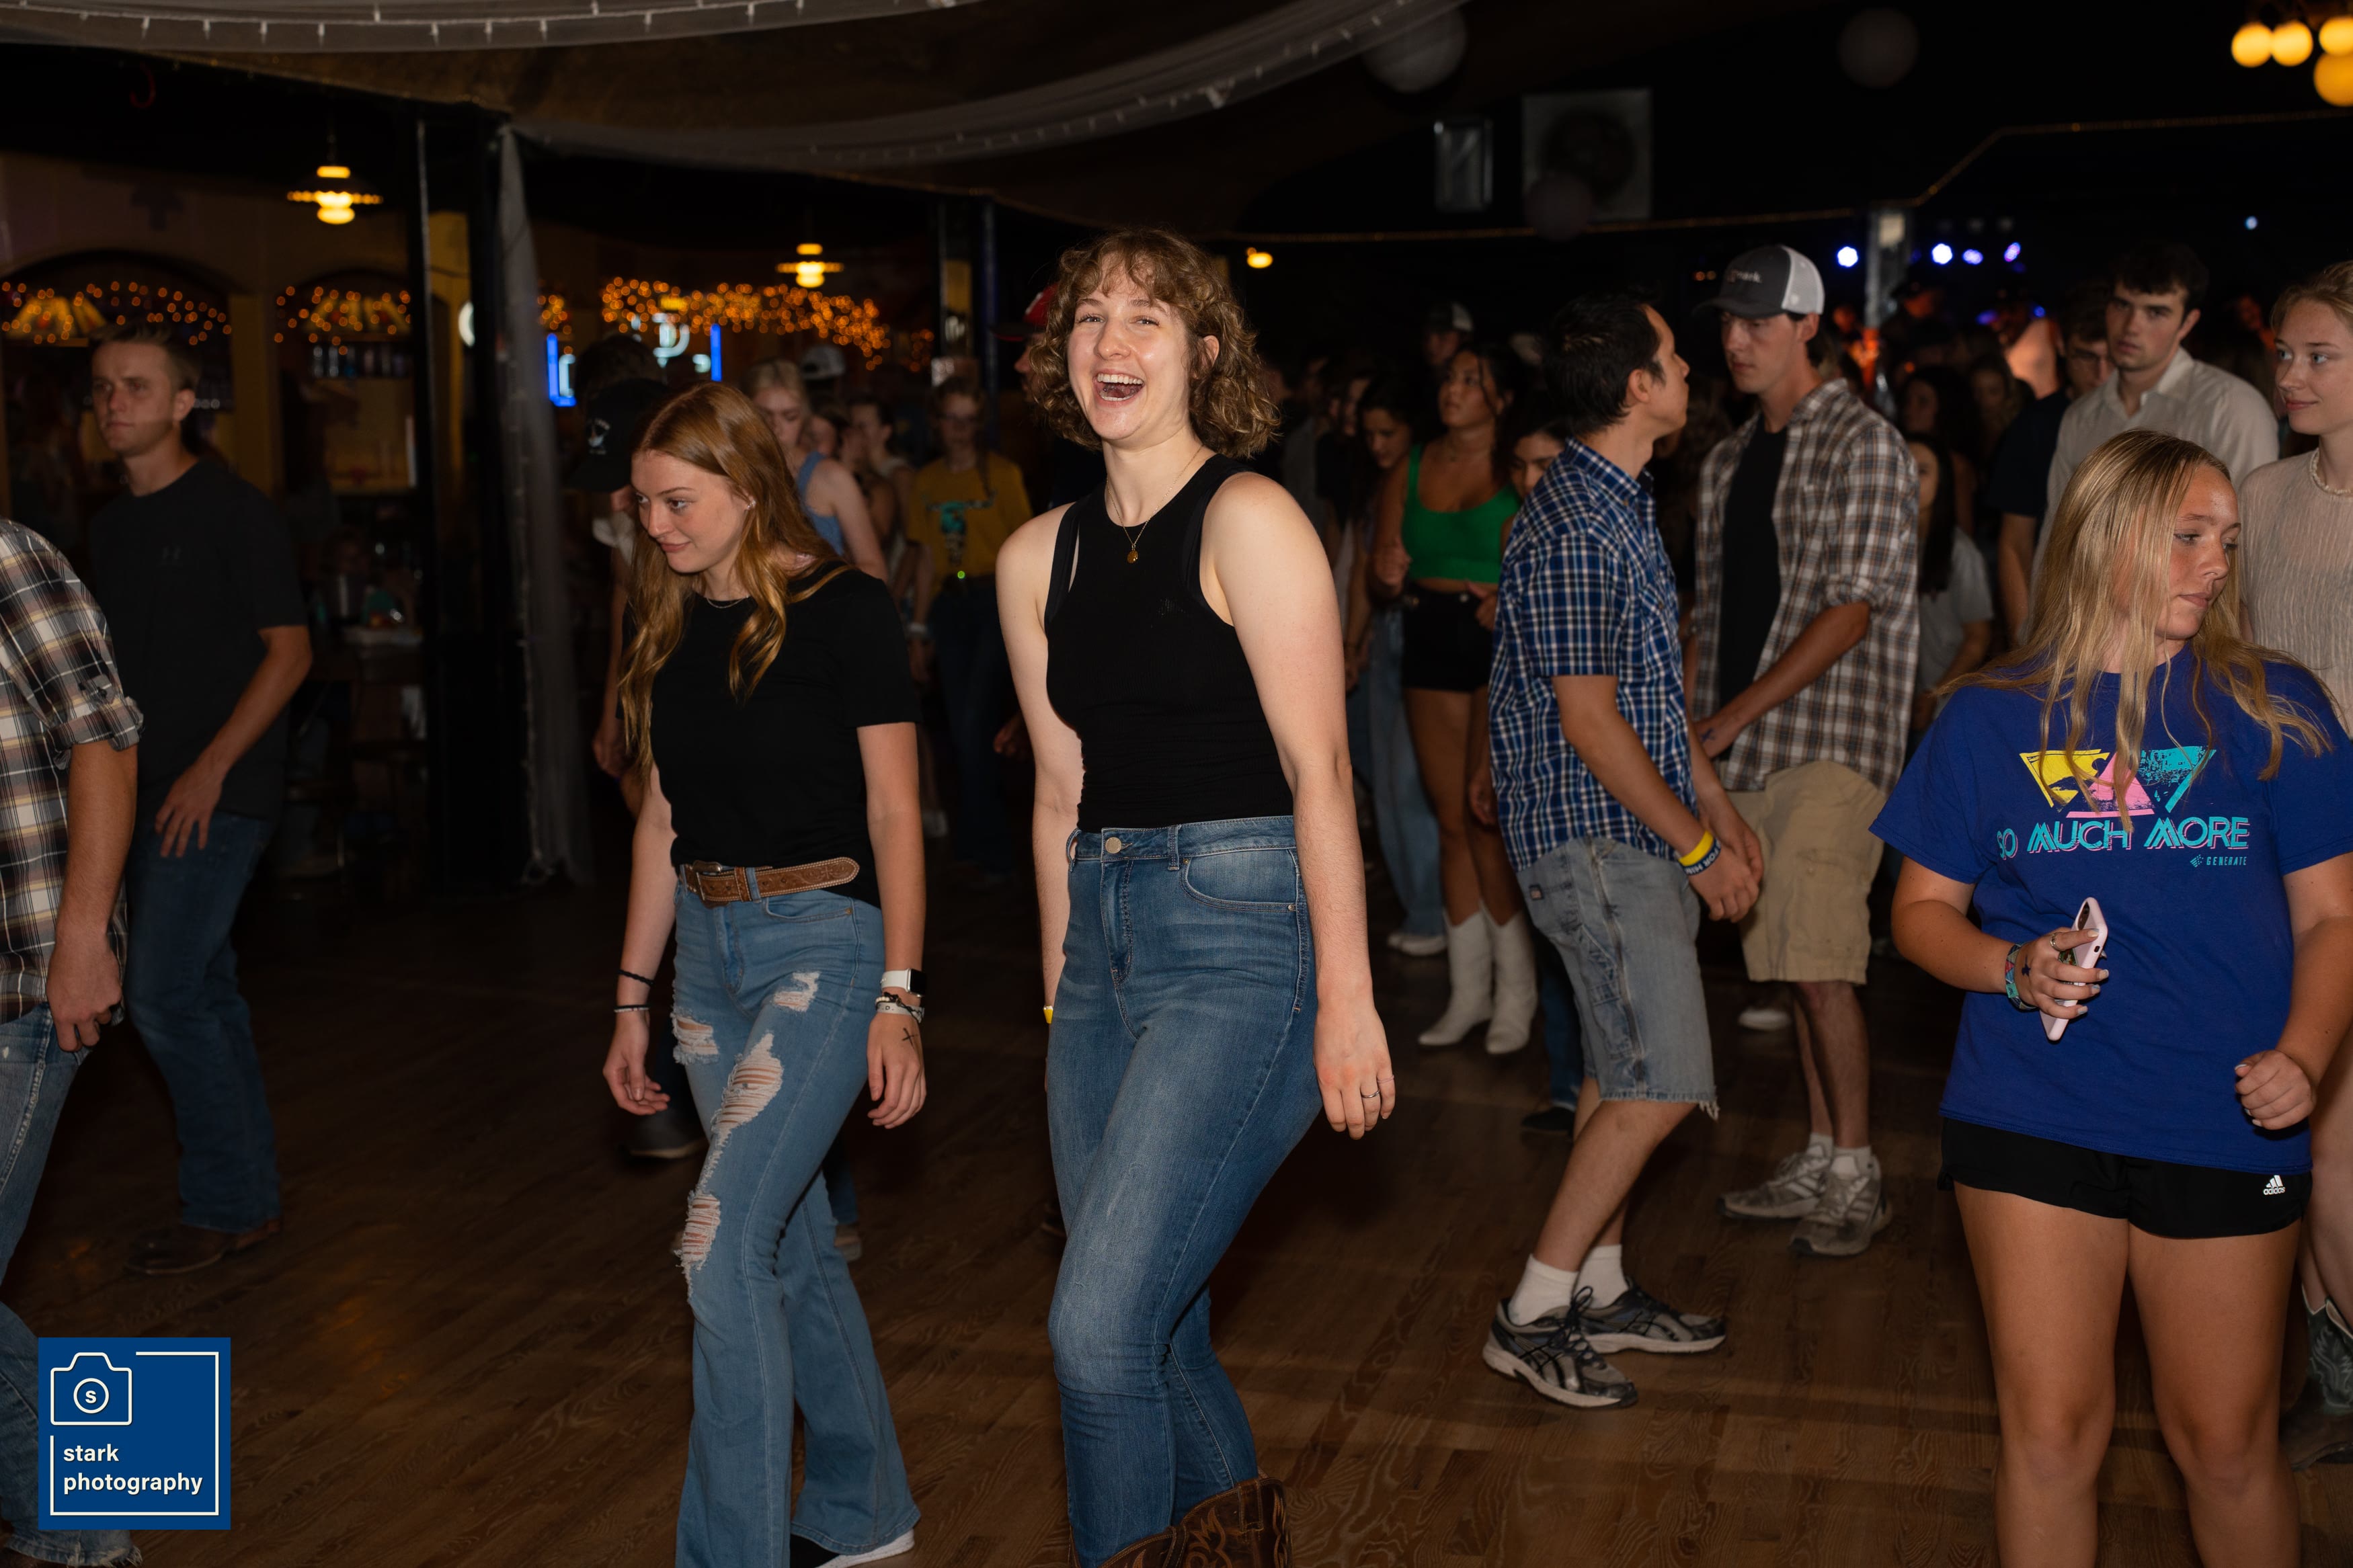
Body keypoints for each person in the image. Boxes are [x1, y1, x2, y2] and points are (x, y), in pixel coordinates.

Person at [1878, 428, 2353, 1567]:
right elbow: (1919, 912)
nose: (2215, 564)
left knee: (2224, 1445)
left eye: (2227, 542)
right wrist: (2007, 966)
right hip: (2030, 1106)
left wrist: (2305, 1052)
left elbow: (2334, 921)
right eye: (2188, 536)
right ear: (2109, 536)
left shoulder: (2277, 706)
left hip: (2221, 1115)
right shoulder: (1988, 716)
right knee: (2050, 1437)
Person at [998, 229, 1392, 1568]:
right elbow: (1059, 795)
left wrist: (1350, 1001)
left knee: (1097, 1328)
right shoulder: (1035, 557)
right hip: (1099, 940)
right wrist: (1060, 999)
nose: (1112, 341)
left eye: (1148, 318)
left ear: (1204, 352)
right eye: (1090, 318)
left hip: (1242, 936)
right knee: (1156, 1336)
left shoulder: (1249, 517)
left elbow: (1322, 769)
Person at [600, 382, 926, 1568]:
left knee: (715, 1243)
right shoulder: (669, 617)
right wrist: (629, 999)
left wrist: (900, 994)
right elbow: (659, 822)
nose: (657, 526)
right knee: (783, 1248)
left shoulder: (847, 610)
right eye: (644, 505)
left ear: (748, 485)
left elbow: (896, 811)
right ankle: (864, 1507)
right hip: (705, 958)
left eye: (677, 502)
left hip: (824, 943)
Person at [1482, 290, 1759, 1408]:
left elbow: (1647, 699)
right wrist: (1698, 850)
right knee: (1663, 1081)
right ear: (1638, 386)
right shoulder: (1573, 523)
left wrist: (1717, 807)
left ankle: (1597, 1288)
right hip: (1595, 841)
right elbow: (1590, 724)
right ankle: (1531, 1312)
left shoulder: (1618, 503)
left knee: (1616, 1069)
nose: (1692, 369)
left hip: (1628, 832)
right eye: (1676, 357)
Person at [1688, 245, 1919, 1259]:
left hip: (1831, 734)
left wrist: (1728, 716)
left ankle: (1859, 1168)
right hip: (1740, 745)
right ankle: (1824, 1150)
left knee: (1821, 965)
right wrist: (1694, 726)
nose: (1737, 340)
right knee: (1790, 961)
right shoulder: (1727, 460)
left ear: (1807, 326)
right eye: (1727, 322)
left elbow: (1852, 610)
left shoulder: (1863, 442)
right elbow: (1711, 614)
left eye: (1758, 322)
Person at [86, 324, 311, 1277]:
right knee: (203, 992)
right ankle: (244, 1201)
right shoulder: (106, 527)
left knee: (162, 992)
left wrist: (213, 767)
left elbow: (290, 652)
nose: (114, 402)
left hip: (219, 789)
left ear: (184, 403)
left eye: (136, 386)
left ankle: (222, 1202)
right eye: (103, 387)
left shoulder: (233, 510)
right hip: (139, 789)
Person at [0, 517, 143, 1568]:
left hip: (25, 982)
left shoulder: (8, 556)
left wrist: (85, 938)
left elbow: (104, 741)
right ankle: (81, 1530)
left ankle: (90, 1524)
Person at [2234, 259, 2353, 1469]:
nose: (2294, 374)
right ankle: (2333, 1371)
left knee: (2335, 1131)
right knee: (2309, 1125)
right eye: (2287, 354)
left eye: (2322, 355)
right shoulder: (2260, 496)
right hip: (2274, 844)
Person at [1369, 343, 1540, 1055]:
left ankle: (1516, 991)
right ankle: (1469, 993)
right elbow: (1381, 569)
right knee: (1448, 822)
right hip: (1429, 632)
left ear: (1503, 397)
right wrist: (1384, 574)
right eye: (1450, 378)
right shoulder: (1411, 465)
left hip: (1498, 638)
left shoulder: (1522, 465)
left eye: (1473, 380)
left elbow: (1545, 553)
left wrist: (1513, 593)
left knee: (1485, 818)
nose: (1454, 390)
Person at [569, 338, 710, 1166]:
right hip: (654, 706)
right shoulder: (626, 515)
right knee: (676, 889)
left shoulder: (699, 517)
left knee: (699, 895)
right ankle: (673, 1084)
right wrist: (614, 710)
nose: (626, 504)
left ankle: (680, 1085)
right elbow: (625, 598)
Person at [2032, 243, 2277, 587]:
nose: (2132, 326)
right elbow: (2056, 544)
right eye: (2122, 305)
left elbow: (2249, 547)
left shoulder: (2230, 406)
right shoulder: (2081, 416)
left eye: (2156, 312)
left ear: (2187, 322)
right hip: (2090, 615)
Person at [908, 377, 1033, 880]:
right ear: (936, 423)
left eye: (968, 419)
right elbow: (923, 558)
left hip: (993, 602)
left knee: (975, 719)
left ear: (979, 424)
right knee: (962, 726)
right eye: (950, 418)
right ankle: (977, 843)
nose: (958, 429)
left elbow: (1026, 545)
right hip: (950, 606)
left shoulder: (1002, 474)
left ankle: (992, 850)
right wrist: (919, 629)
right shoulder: (927, 481)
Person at [1340, 378, 1446, 957]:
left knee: (1409, 781)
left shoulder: (1429, 475)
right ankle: (1420, 906)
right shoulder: (1375, 483)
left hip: (1422, 629)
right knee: (1381, 775)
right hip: (1383, 634)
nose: (1378, 444)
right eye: (1371, 433)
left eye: (1389, 432)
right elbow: (1365, 568)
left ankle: (1434, 911)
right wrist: (1352, 644)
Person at [1990, 282, 2110, 636]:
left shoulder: (2148, 418)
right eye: (2086, 357)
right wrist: (2024, 640)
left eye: (2113, 359)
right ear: (2060, 345)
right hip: (2058, 620)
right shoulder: (2036, 425)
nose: (2102, 375)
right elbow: (2014, 543)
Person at [742, 357, 887, 579]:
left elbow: (875, 570)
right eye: (764, 415)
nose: (776, 427)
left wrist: (816, 585)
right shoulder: (732, 471)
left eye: (790, 417)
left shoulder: (830, 476)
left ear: (804, 416)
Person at [1907, 433, 1993, 735]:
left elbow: (1978, 638)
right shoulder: (1888, 546)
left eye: (1922, 471)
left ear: (1942, 481)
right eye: (1903, 467)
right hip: (1895, 700)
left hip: (1943, 707)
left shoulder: (1960, 553)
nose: (1910, 479)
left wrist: (1935, 693)